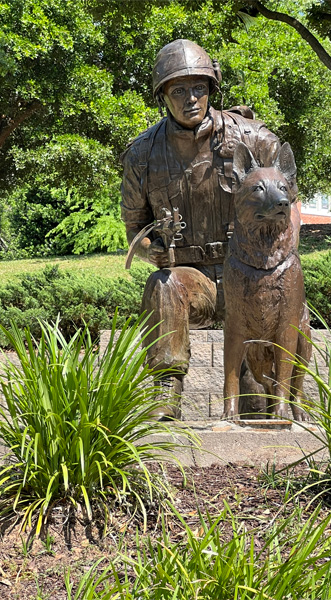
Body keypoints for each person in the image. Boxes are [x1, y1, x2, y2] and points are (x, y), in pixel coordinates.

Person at [121, 39, 299, 418]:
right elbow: (134, 228)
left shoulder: (253, 139)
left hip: (252, 276)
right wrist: (148, 247)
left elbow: (289, 197)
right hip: (193, 280)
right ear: (162, 97)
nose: (191, 99)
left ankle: (275, 392)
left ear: (211, 90)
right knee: (163, 285)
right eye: (179, 90)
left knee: (257, 412)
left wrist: (281, 263)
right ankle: (166, 389)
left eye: (199, 88)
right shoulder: (142, 154)